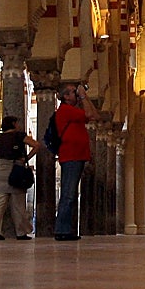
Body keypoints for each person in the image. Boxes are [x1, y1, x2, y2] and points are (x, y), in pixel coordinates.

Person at [53, 82, 99, 241]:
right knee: (68, 194)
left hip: (76, 155)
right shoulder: (66, 110)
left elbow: (96, 115)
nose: (77, 94)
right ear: (65, 96)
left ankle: (66, 229)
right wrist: (84, 96)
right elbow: (90, 115)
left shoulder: (73, 111)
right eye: (73, 92)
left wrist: (83, 96)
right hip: (71, 155)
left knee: (70, 193)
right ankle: (61, 230)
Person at [0, 115, 38, 240]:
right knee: (18, 203)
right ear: (14, 124)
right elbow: (36, 145)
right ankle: (21, 232)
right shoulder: (19, 135)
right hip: (15, 169)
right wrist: (26, 159)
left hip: (0, 170)